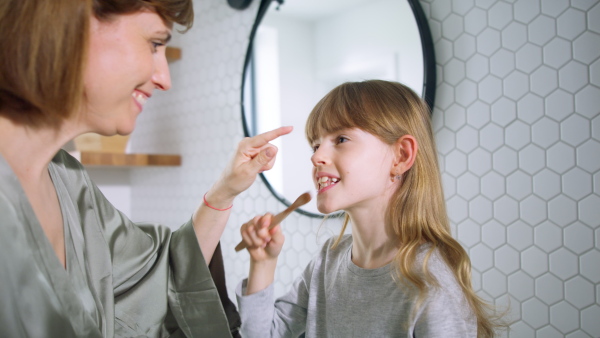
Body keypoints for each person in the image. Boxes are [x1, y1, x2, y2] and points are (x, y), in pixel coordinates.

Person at [0, 0, 292, 336]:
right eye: (155, 44)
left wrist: (224, 190)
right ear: (70, 23)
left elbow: (158, 277)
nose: (164, 79)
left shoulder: (70, 182)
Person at [236, 80, 505, 337]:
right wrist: (263, 263)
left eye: (341, 139)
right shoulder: (327, 262)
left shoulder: (430, 285)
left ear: (401, 156)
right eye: (316, 145)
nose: (316, 156)